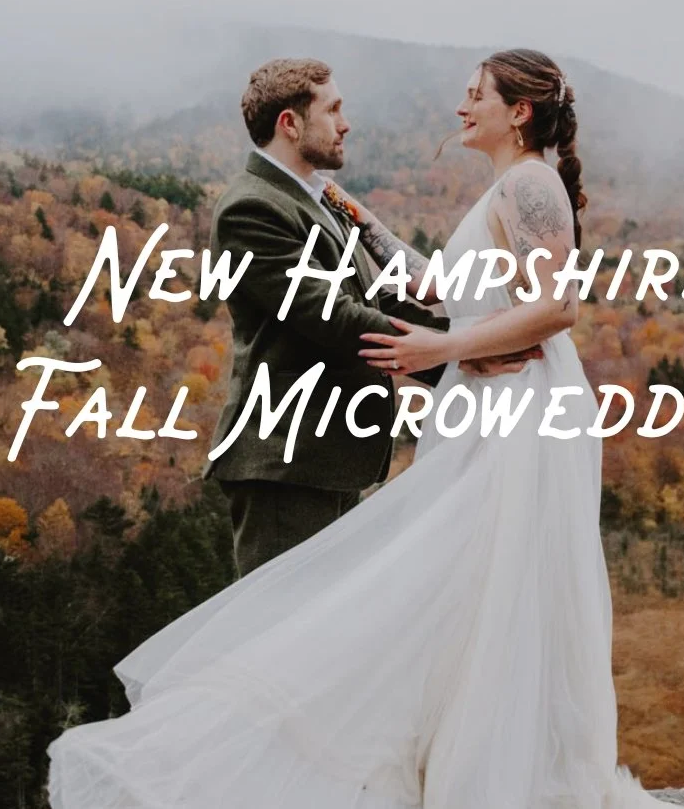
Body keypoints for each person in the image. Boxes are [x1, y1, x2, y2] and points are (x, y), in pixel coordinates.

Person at [47, 49, 684, 809]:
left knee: (479, 592)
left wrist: (444, 345)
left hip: (512, 414)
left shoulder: (531, 189)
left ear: (520, 113)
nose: (460, 101)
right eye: (333, 107)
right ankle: (328, 792)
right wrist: (422, 300)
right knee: (433, 598)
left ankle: (470, 788)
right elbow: (407, 300)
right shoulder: (449, 192)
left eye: (477, 93)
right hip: (423, 418)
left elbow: (553, 306)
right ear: (290, 121)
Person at [202, 57, 533, 576]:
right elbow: (332, 317)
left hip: (324, 459)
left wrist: (470, 340)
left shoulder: (320, 201)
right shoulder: (252, 208)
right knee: (282, 636)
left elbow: (378, 302)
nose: (345, 123)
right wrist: (457, 356)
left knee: (325, 642)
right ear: (289, 123)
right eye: (332, 109)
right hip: (285, 461)